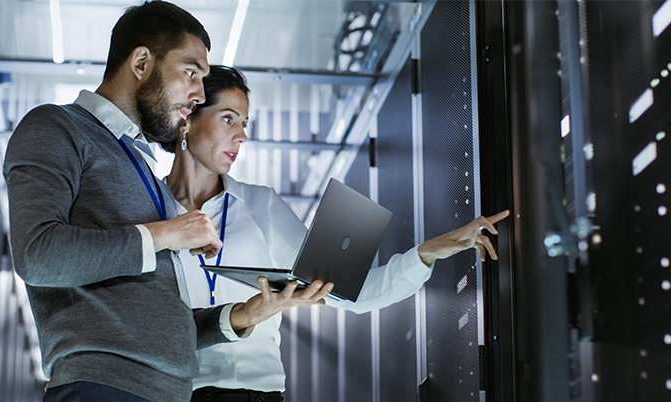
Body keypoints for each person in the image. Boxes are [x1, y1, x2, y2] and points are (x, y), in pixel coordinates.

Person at [3, 3, 330, 402]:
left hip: (169, 392)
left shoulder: (144, 172)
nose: (197, 94)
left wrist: (248, 313)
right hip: (102, 385)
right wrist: (167, 232)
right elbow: (38, 255)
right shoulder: (57, 127)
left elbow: (162, 321)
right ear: (141, 62)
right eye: (190, 72)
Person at [161, 65, 510, 402]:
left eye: (245, 122)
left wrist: (427, 253)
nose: (242, 135)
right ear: (188, 118)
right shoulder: (149, 215)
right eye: (228, 118)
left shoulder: (259, 204)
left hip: (256, 395)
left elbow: (350, 294)